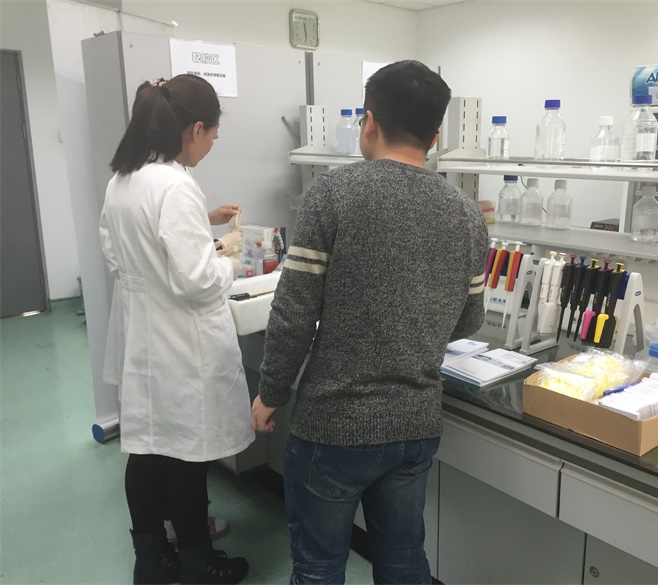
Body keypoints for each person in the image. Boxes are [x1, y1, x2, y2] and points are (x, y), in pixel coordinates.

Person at [251, 61, 488, 584]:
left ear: (369, 121)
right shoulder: (467, 215)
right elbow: (469, 319)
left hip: (333, 424)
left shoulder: (333, 194)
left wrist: (270, 393)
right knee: (404, 562)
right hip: (415, 426)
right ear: (436, 136)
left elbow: (293, 314)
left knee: (318, 566)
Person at [99, 74, 252, 585]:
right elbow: (197, 281)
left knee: (146, 448)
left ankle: (152, 558)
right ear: (196, 130)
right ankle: (197, 561)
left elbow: (123, 251)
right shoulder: (176, 185)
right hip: (182, 343)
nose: (212, 144)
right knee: (187, 454)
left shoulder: (124, 179)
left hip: (142, 336)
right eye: (213, 135)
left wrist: (203, 225)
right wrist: (230, 260)